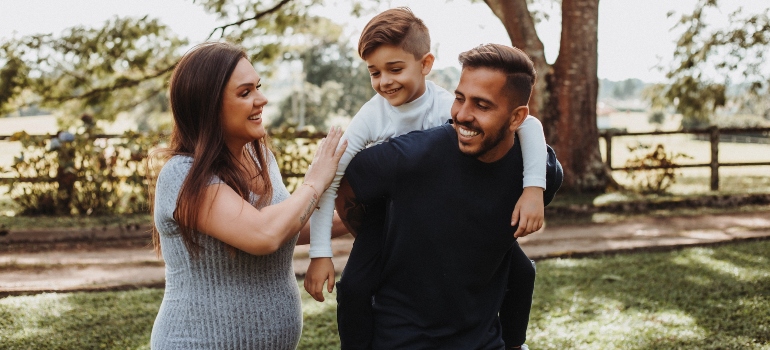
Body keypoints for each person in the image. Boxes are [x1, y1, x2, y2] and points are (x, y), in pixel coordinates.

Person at [304, 7, 549, 346]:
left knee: (522, 272)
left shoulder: (448, 105)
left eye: (395, 68)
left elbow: (531, 125)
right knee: (356, 286)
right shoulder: (371, 117)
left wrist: (533, 188)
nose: (384, 82)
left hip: (440, 208)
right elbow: (331, 180)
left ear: (426, 64)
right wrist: (320, 253)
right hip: (385, 212)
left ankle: (516, 343)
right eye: (374, 72)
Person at [149, 42, 349, 349]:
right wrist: (316, 180)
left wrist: (366, 210)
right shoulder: (182, 175)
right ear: (209, 106)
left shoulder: (261, 159)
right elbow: (264, 234)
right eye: (245, 93)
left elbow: (288, 227)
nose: (262, 99)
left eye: (258, 87)